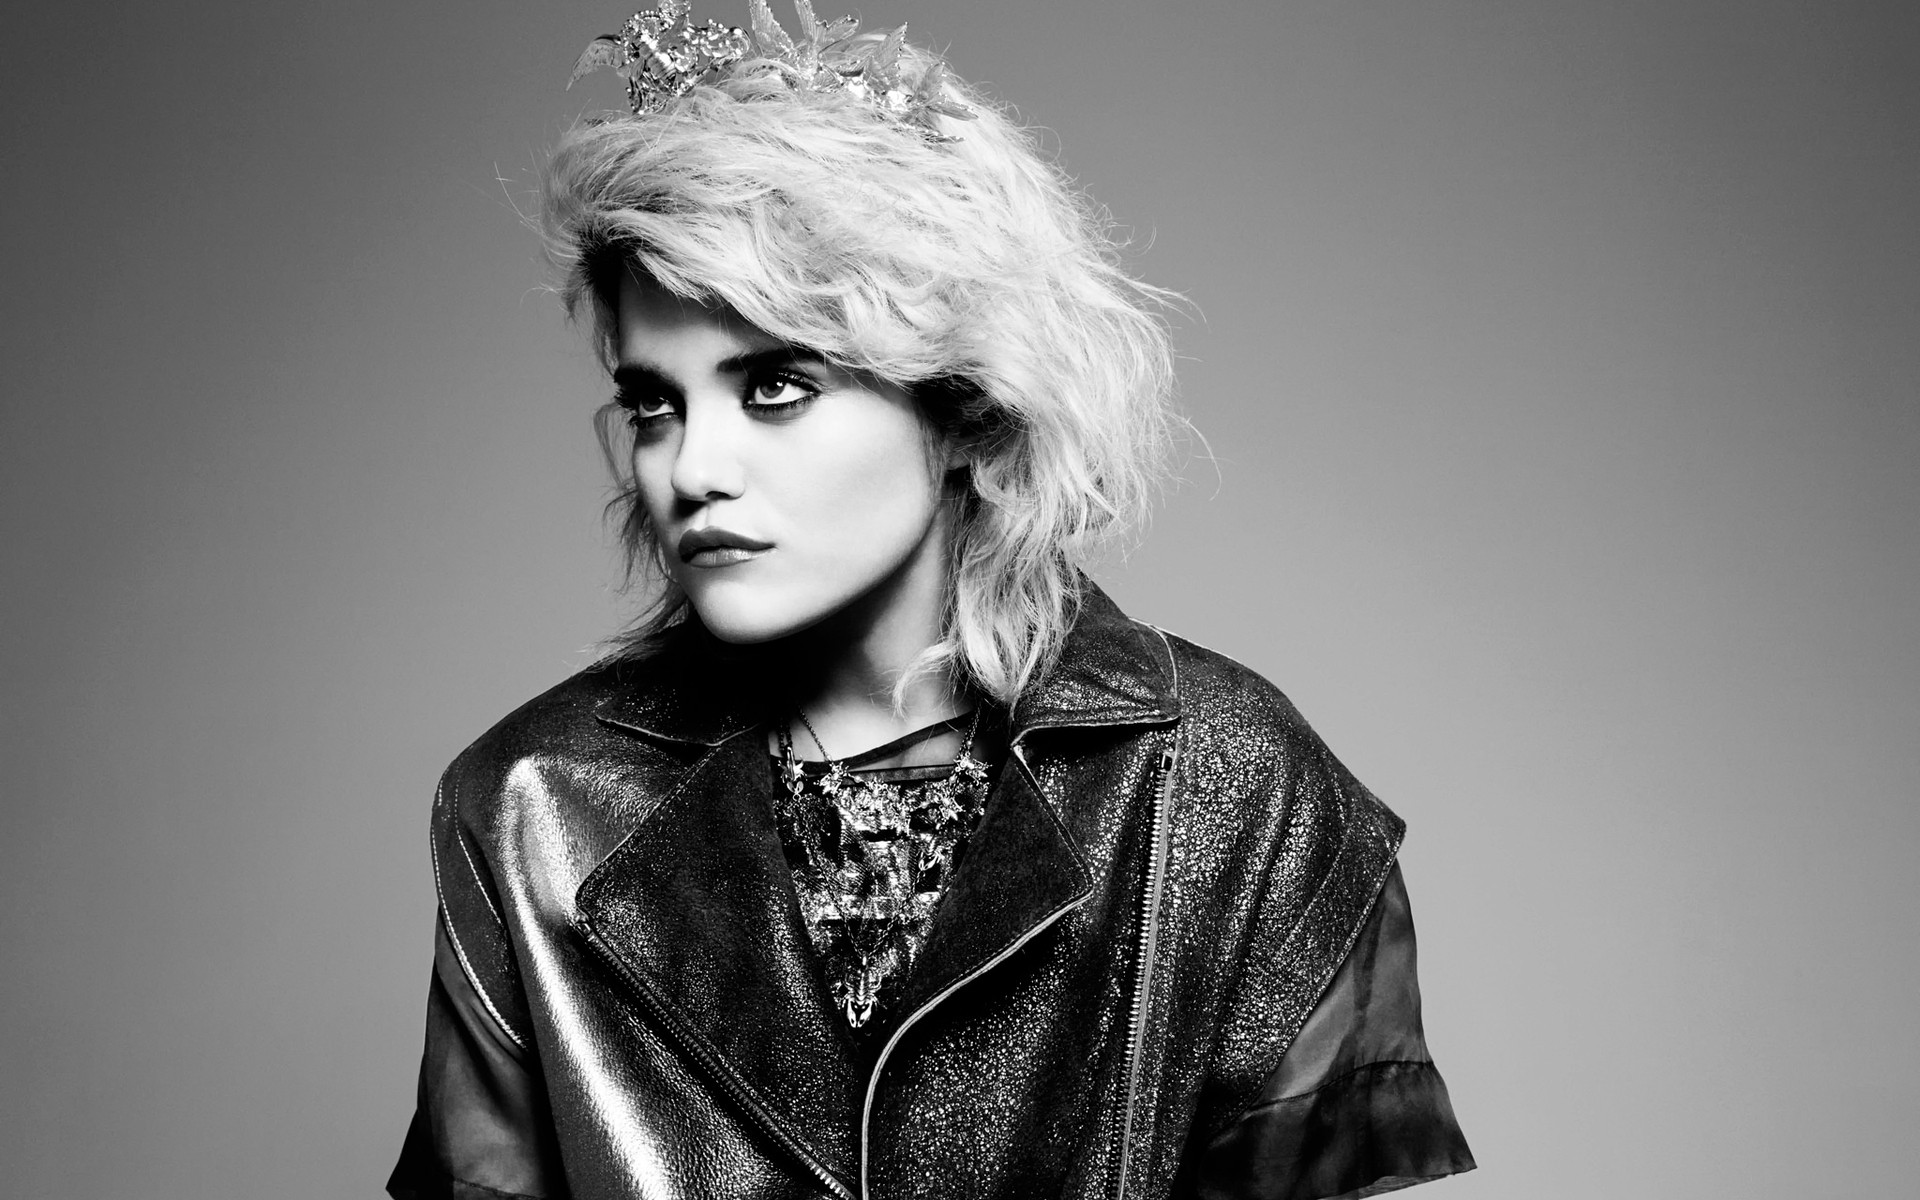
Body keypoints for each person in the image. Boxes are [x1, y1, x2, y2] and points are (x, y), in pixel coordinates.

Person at [388, 4, 1475, 1197]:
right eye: (656, 403)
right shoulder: (530, 809)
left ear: (962, 405)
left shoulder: (1231, 791)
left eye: (776, 386)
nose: (693, 467)